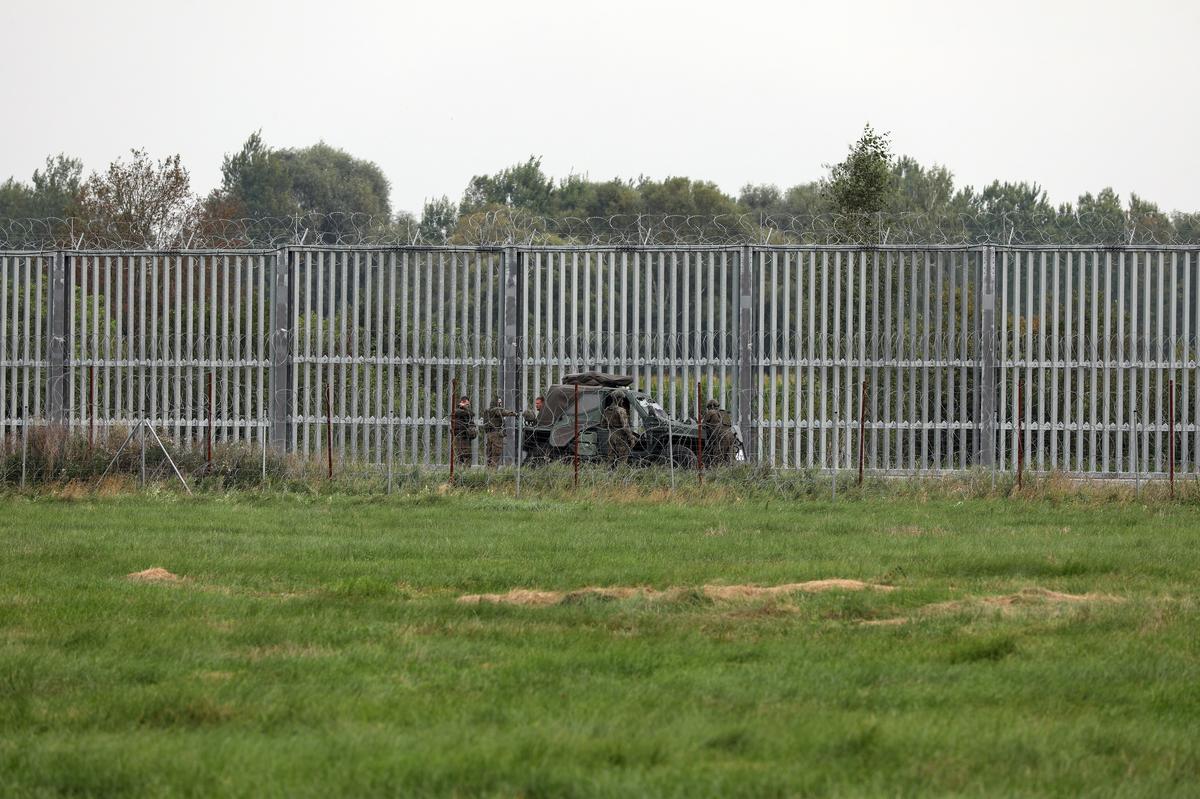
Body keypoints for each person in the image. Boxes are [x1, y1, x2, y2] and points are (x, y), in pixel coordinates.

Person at [483, 396, 518, 467]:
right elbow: (503, 411)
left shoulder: (488, 411)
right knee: (496, 454)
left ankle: (488, 471)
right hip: (496, 435)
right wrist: (515, 414)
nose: (500, 404)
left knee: (489, 455)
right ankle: (493, 471)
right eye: (499, 402)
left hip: (489, 434)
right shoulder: (496, 410)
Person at [602, 394, 635, 467]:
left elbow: (603, 424)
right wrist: (631, 437)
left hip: (611, 435)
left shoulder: (607, 410)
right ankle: (621, 472)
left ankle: (609, 472)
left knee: (611, 458)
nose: (622, 401)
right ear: (618, 399)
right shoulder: (621, 410)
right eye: (622, 399)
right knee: (622, 457)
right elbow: (625, 426)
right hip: (620, 436)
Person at [701, 398, 733, 464]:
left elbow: (703, 425)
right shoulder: (724, 413)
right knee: (728, 458)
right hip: (730, 436)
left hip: (720, 438)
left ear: (711, 406)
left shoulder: (710, 412)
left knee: (718, 459)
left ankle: (718, 469)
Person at [451, 396, 476, 466]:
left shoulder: (466, 411)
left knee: (466, 454)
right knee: (462, 454)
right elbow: (468, 413)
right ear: (462, 402)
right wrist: (463, 407)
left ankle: (465, 470)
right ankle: (459, 469)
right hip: (460, 435)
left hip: (466, 436)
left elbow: (472, 414)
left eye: (468, 404)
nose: (468, 406)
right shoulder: (457, 411)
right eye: (467, 404)